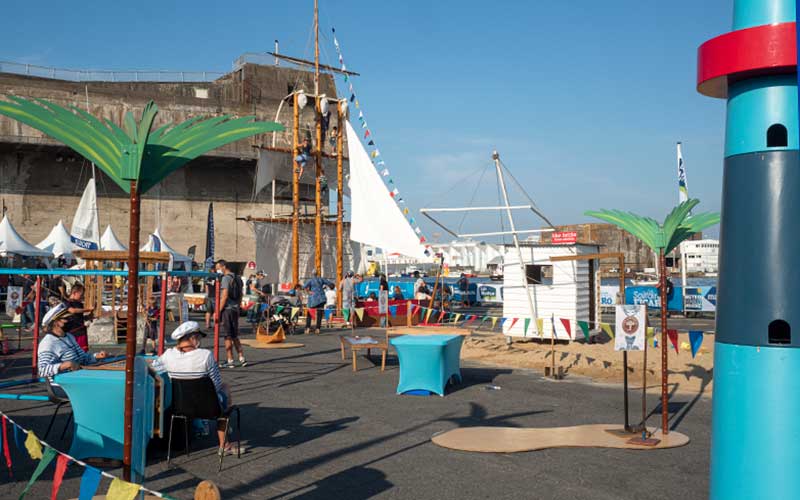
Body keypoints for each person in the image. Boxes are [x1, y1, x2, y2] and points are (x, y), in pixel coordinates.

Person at [152, 321, 234, 456]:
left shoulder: (168, 355)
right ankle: (224, 443)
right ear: (192, 338)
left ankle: (199, 425)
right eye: (198, 337)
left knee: (188, 392)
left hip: (179, 407)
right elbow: (216, 385)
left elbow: (154, 368)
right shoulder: (206, 355)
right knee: (224, 389)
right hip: (208, 408)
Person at [37, 303, 107, 378]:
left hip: (79, 377)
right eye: (66, 319)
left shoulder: (69, 336)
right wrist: (66, 365)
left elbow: (83, 358)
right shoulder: (48, 343)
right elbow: (42, 370)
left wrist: (96, 356)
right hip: (62, 384)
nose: (70, 321)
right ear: (56, 323)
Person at [216, 260, 246, 368]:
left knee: (227, 335)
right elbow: (241, 294)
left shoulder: (225, 278)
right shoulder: (238, 278)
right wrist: (238, 306)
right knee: (234, 335)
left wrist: (217, 311)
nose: (217, 270)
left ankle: (230, 360)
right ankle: (241, 357)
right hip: (235, 309)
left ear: (224, 267)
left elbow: (224, 296)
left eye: (218, 267)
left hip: (227, 309)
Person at [63, 283, 92, 352]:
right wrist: (88, 309)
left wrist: (89, 317)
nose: (82, 297)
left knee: (83, 351)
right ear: (75, 293)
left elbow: (80, 316)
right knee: (72, 352)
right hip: (71, 332)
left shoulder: (80, 304)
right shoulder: (66, 302)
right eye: (81, 295)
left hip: (81, 331)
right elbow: (72, 310)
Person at [303, 269, 334, 334]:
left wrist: (309, 292)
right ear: (317, 273)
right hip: (321, 298)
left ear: (312, 274)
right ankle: (318, 329)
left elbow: (304, 287)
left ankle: (308, 328)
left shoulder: (310, 280)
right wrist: (325, 287)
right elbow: (331, 284)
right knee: (319, 313)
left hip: (313, 299)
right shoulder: (321, 279)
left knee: (310, 314)